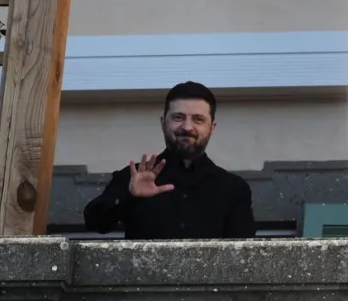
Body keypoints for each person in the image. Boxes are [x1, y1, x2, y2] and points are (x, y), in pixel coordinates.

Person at [83, 81, 256, 239]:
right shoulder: (133, 176)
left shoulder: (233, 189)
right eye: (178, 117)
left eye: (198, 119)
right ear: (163, 123)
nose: (187, 127)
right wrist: (128, 195)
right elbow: (95, 224)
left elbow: (244, 254)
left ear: (212, 128)